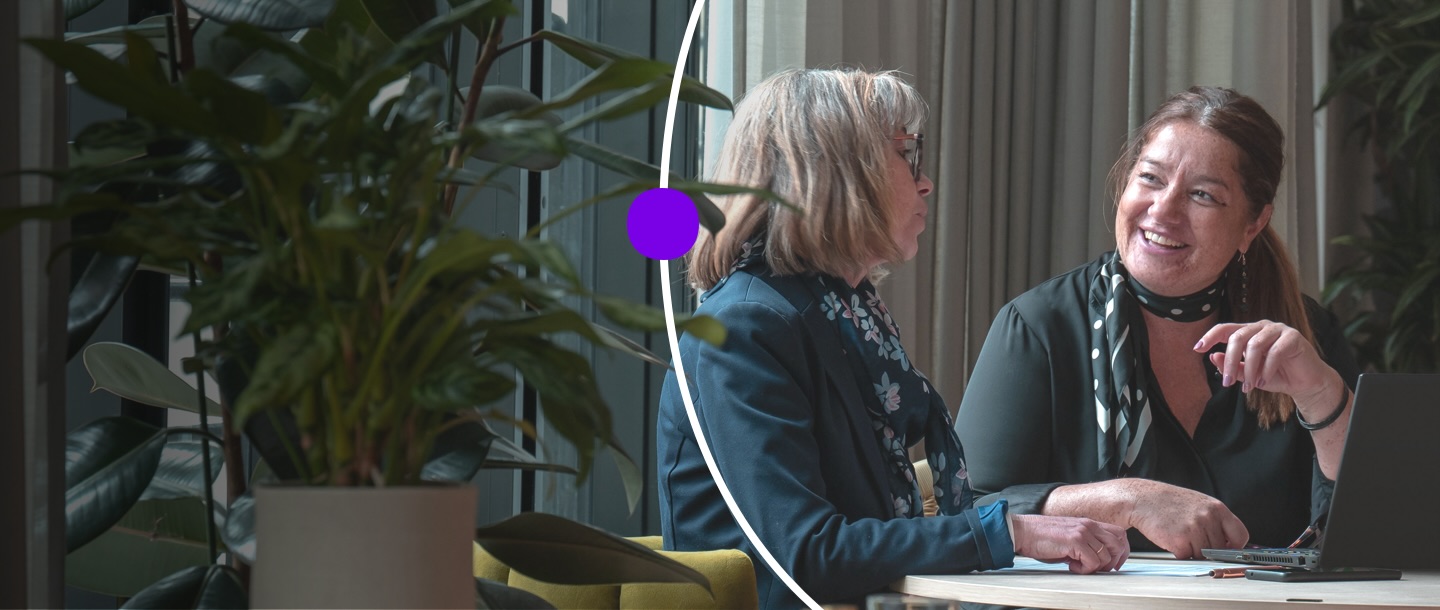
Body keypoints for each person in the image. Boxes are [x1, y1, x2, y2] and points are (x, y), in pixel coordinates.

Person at [657, 68, 1129, 610]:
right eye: (907, 155)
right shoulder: (743, 328)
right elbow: (807, 555)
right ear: (837, 172)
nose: (925, 183)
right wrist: (1009, 532)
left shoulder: (845, 314)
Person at [955, 86, 1361, 560]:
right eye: (1150, 178)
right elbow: (968, 511)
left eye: (1202, 195)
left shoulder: (1307, 338)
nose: (1164, 211)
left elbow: (1366, 533)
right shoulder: (1038, 327)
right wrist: (1125, 499)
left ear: (1252, 224)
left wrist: (1321, 395)